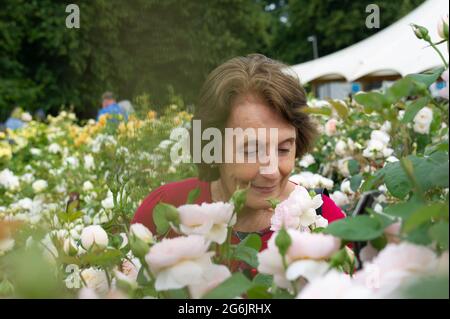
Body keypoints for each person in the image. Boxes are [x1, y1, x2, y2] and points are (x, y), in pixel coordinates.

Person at [132, 54, 345, 257]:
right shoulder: (165, 210)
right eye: (251, 151)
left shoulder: (321, 219)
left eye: (283, 149)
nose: (271, 172)